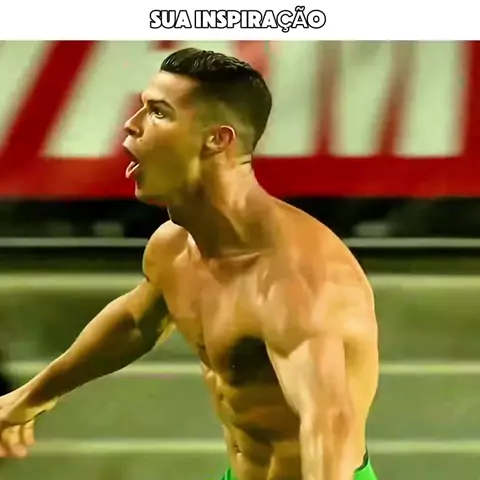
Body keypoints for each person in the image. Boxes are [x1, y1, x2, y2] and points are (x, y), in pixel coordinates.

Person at [0, 48, 380, 480]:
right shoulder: (175, 247)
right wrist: (28, 398)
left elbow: (329, 424)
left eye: (158, 113)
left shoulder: (297, 279)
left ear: (217, 139)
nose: (131, 124)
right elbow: (137, 322)